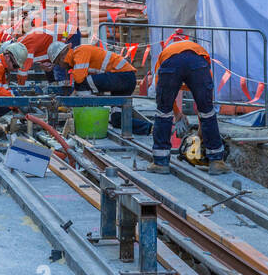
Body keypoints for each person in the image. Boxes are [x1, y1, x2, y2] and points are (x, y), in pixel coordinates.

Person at [149, 31, 227, 175]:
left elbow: (164, 102)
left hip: (171, 61)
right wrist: (200, 127)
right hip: (197, 61)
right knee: (208, 112)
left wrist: (176, 113)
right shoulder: (202, 61)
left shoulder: (164, 58)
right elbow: (204, 106)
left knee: (163, 112)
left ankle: (160, 163)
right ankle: (217, 162)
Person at [56, 41, 137, 95]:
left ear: (62, 58)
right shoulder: (77, 58)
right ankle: (148, 122)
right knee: (117, 117)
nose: (60, 67)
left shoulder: (79, 52)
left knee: (80, 84)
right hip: (125, 78)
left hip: (124, 76)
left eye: (58, 63)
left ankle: (86, 109)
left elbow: (79, 79)